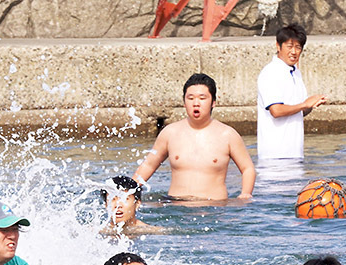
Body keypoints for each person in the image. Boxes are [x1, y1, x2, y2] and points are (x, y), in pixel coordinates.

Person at [133, 73, 255, 201]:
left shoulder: (228, 135)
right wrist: (128, 190)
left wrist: (245, 194)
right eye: (190, 98)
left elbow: (247, 168)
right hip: (176, 208)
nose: (196, 103)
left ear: (213, 102)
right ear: (184, 102)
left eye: (202, 98)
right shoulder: (170, 133)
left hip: (216, 209)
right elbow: (149, 165)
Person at [257, 24, 327, 159]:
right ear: (278, 46)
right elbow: (276, 111)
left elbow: (300, 111)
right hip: (274, 156)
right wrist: (305, 104)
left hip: (295, 152)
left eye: (298, 47)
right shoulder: (271, 73)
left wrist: (312, 105)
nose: (294, 52)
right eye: (289, 46)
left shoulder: (295, 73)